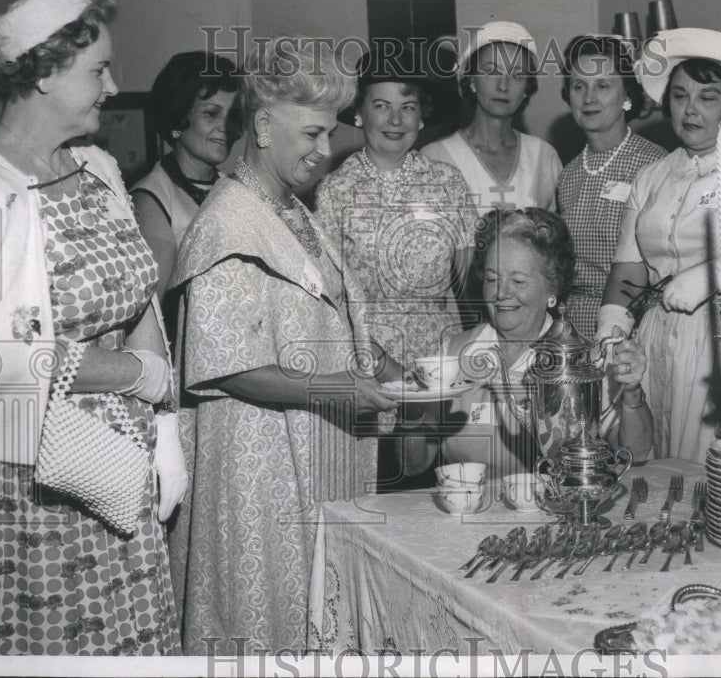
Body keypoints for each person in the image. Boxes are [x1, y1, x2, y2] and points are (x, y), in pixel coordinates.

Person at [0, 0, 185, 655]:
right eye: (99, 70)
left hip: (120, 474)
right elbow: (4, 360)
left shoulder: (98, 168)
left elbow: (142, 294)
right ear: (45, 74)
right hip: (38, 492)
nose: (113, 88)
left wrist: (162, 424)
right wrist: (140, 377)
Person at [169, 37, 401, 654]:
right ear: (265, 126)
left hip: (313, 448)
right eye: (313, 135)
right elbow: (229, 366)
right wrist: (337, 388)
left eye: (330, 134)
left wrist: (380, 364)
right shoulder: (227, 223)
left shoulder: (291, 210)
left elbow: (320, 319)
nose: (325, 151)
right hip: (257, 467)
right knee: (269, 623)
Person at [598, 27, 721, 464]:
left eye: (708, 97)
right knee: (647, 472)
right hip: (651, 340)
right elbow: (628, 275)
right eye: (680, 95)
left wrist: (719, 273)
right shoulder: (651, 176)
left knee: (713, 479)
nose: (690, 110)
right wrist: (608, 342)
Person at [405, 208, 654, 481]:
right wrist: (411, 403)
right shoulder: (455, 352)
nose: (500, 293)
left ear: (552, 289)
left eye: (518, 281)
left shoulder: (581, 361)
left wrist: (631, 392)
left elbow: (636, 454)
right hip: (468, 513)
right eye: (491, 279)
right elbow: (414, 465)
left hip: (550, 513)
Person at [315, 45, 479, 367]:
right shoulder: (334, 191)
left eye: (408, 107)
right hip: (366, 357)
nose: (395, 119)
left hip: (442, 355)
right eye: (381, 105)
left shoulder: (448, 182)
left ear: (421, 117)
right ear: (360, 113)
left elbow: (472, 284)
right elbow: (329, 298)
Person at [556, 34, 667, 338]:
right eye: (579, 87)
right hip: (573, 329)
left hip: (632, 326)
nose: (589, 98)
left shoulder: (655, 164)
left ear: (627, 95)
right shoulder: (568, 175)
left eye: (603, 86)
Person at [131, 51, 239, 342]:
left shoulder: (236, 188)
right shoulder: (151, 198)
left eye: (233, 115)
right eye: (211, 113)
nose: (225, 127)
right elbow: (147, 315)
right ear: (179, 116)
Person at [421, 21, 562, 213]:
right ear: (471, 80)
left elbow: (557, 238)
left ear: (526, 90)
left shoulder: (544, 157)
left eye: (517, 75)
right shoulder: (435, 158)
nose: (503, 86)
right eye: (492, 71)